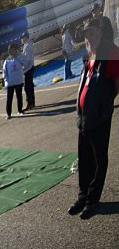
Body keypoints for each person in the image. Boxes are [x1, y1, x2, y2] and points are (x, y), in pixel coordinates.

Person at [69, 14, 119, 219]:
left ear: (100, 31)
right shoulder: (89, 54)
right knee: (85, 159)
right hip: (84, 118)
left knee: (99, 160)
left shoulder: (111, 51)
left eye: (92, 31)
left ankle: (92, 200)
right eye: (86, 33)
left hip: (99, 116)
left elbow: (117, 83)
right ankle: (83, 196)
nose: (89, 36)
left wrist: (104, 103)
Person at [3, 44, 26, 119]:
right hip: (10, 83)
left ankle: (20, 111)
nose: (9, 51)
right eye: (9, 50)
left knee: (19, 96)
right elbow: (4, 72)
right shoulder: (7, 60)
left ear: (15, 50)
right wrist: (6, 81)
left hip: (18, 81)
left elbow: (25, 63)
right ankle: (8, 114)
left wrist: (19, 56)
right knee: (9, 98)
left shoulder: (19, 57)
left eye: (11, 50)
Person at [20, 31, 36, 109]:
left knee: (27, 87)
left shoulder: (27, 46)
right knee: (30, 86)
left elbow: (27, 59)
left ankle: (29, 103)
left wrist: (21, 68)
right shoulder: (28, 44)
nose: (21, 40)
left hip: (28, 69)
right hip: (30, 67)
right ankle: (32, 102)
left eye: (22, 38)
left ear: (25, 37)